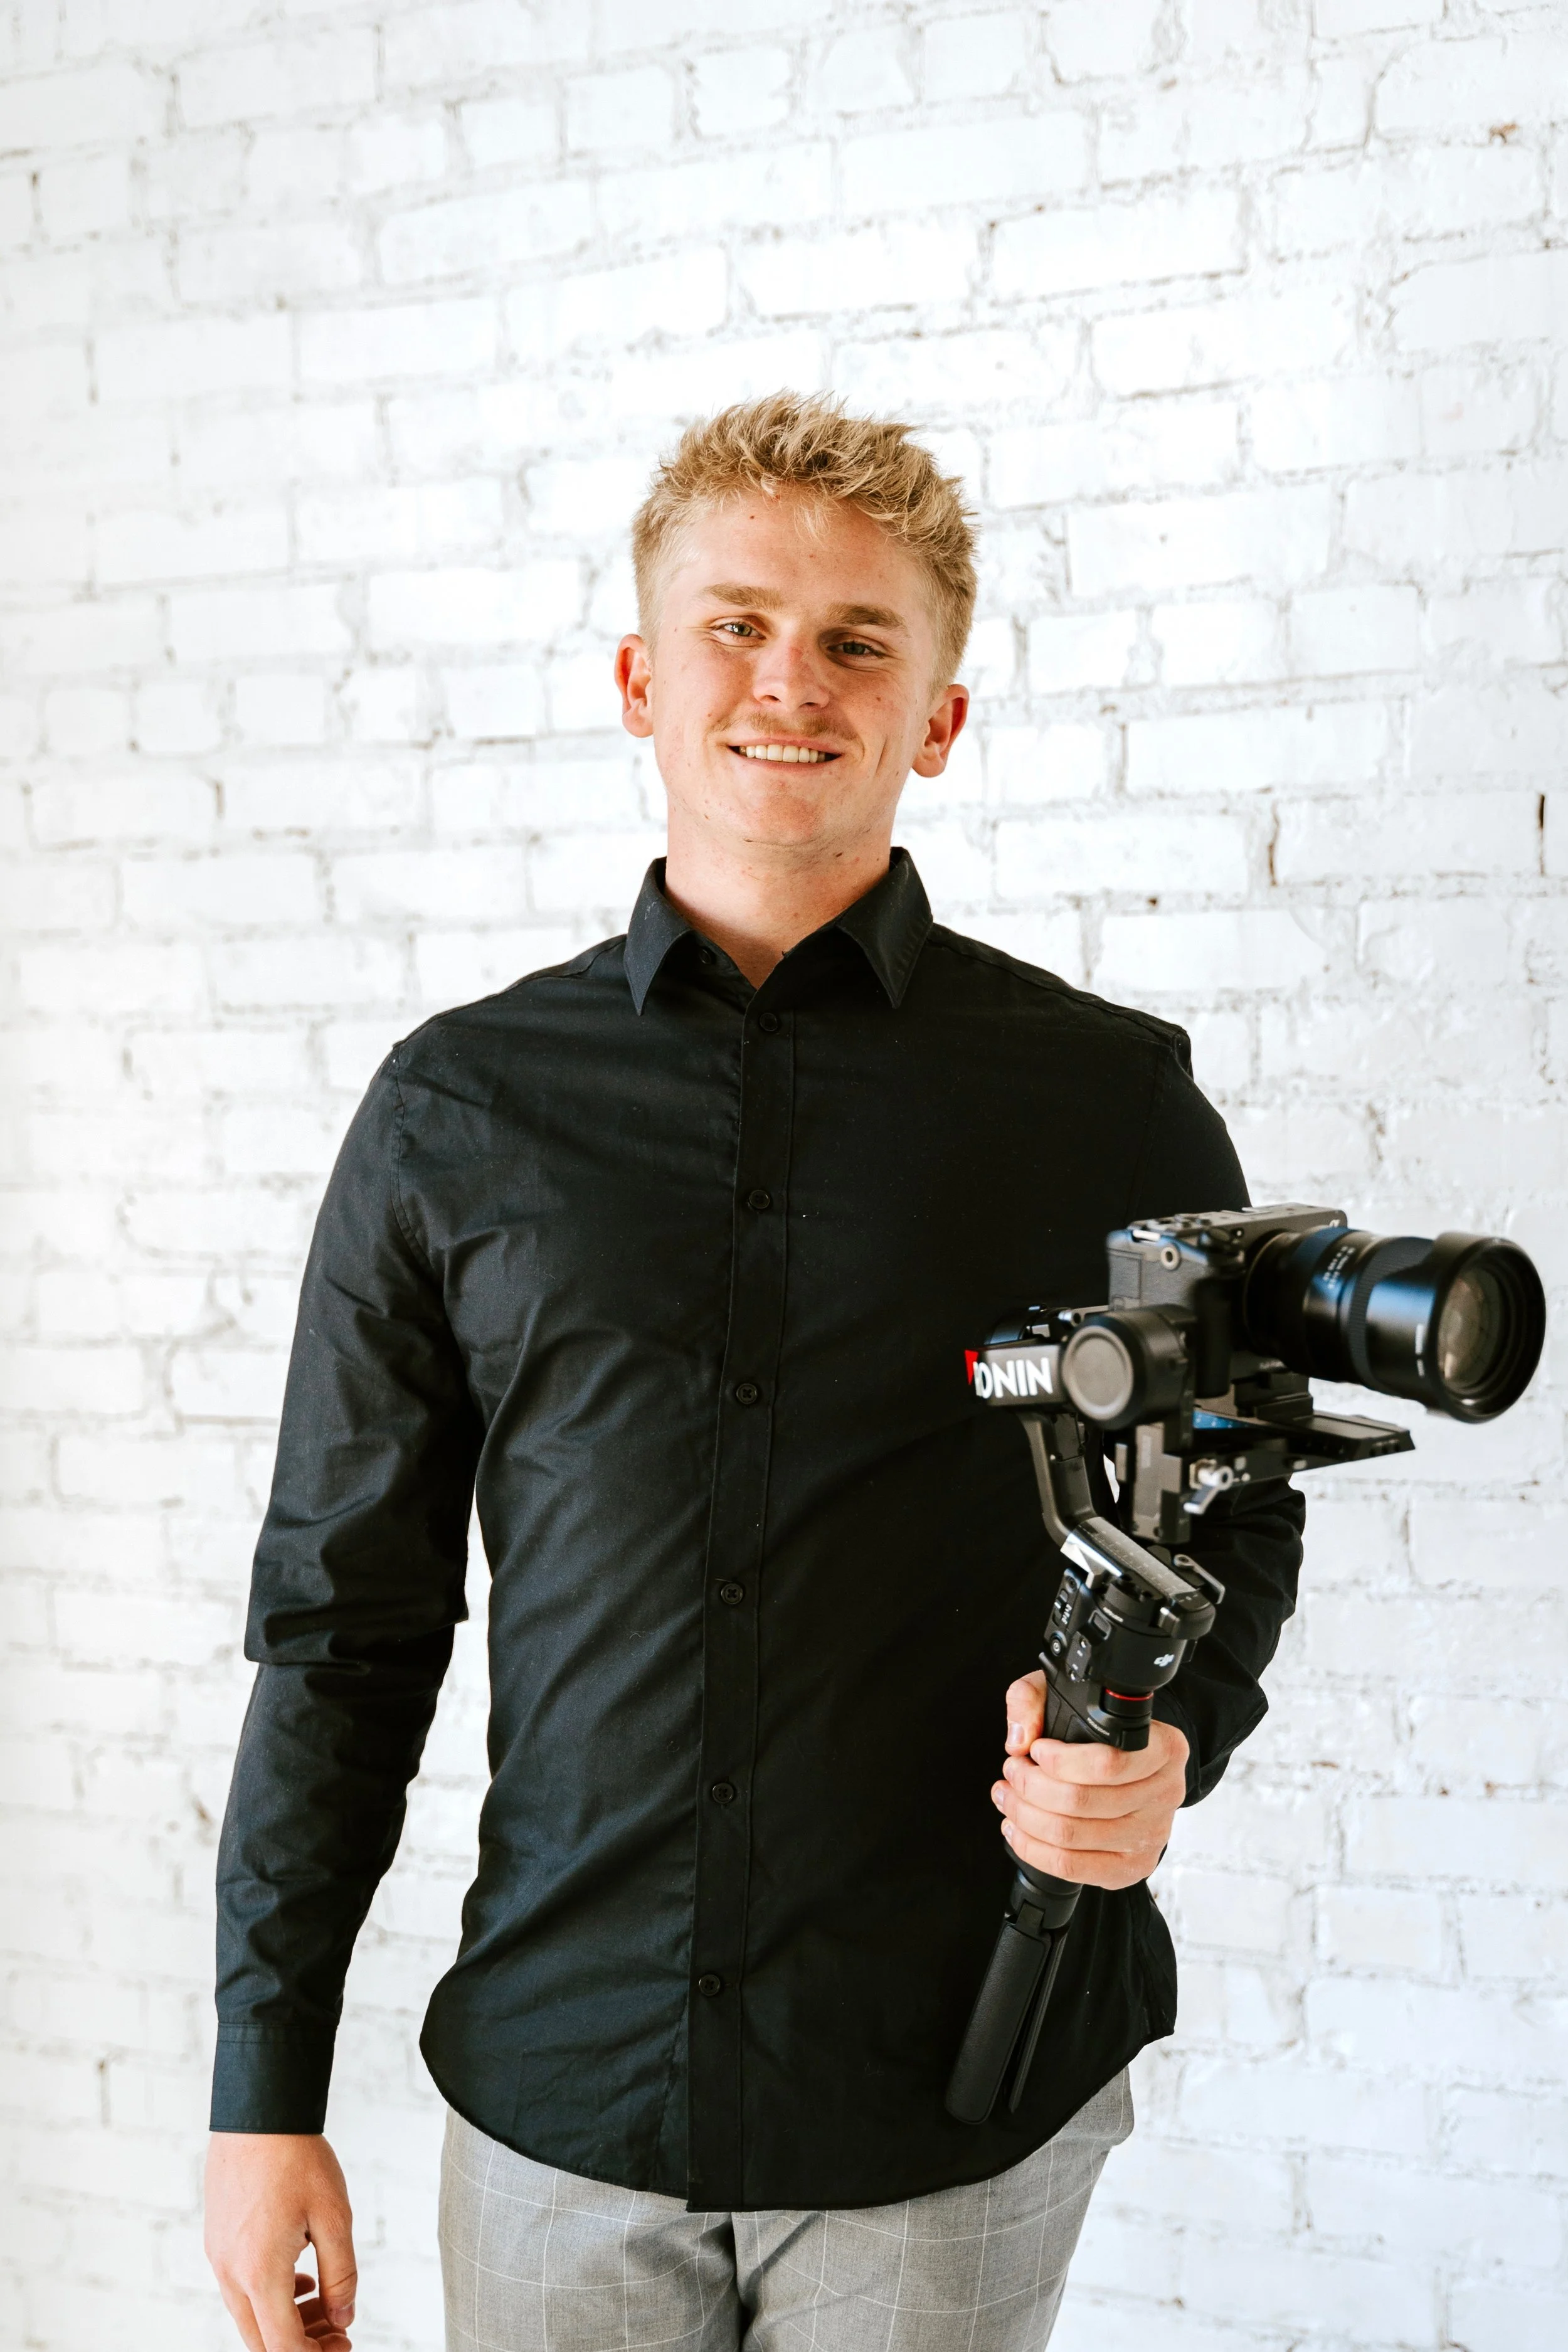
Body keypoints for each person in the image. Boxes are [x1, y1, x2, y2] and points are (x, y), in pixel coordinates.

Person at [204, 393, 1304, 2352]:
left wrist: (1165, 1746)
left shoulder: (1109, 1102)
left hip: (955, 2090)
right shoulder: (457, 1109)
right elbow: (340, 1627)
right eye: (734, 625)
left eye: (856, 640)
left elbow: (1234, 1496)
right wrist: (259, 2090)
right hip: (562, 2095)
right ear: (642, 679)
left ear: (935, 718)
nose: (789, 681)